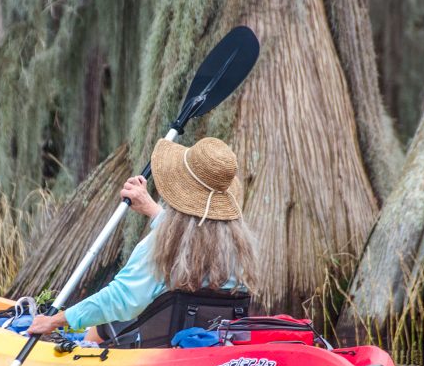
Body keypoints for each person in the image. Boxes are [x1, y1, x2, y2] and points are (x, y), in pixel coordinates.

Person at [27, 136, 256, 342]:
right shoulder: (238, 247)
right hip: (212, 344)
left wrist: (55, 321)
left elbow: (120, 299)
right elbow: (194, 231)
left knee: (107, 324)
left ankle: (88, 348)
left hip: (156, 348)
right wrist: (152, 209)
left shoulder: (159, 248)